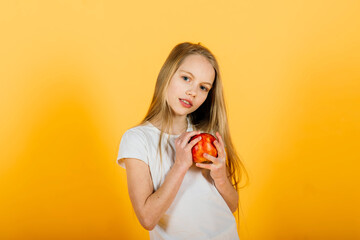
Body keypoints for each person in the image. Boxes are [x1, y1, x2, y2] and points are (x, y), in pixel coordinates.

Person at [117, 42, 248, 240]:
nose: (193, 92)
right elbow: (147, 218)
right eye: (186, 78)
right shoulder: (137, 139)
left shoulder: (207, 134)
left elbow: (230, 206)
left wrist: (220, 177)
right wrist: (180, 165)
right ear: (167, 75)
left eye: (203, 87)